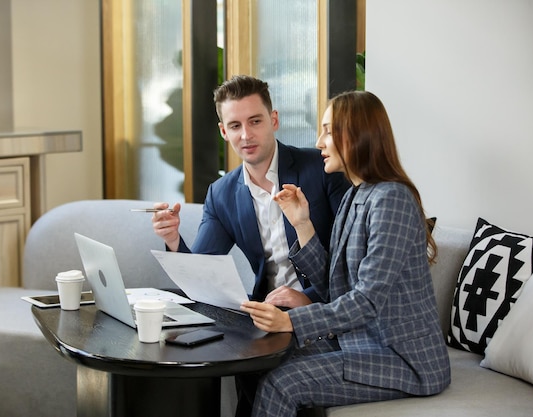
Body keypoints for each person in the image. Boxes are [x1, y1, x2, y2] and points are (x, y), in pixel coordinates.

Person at [239, 90, 451, 417]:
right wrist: (302, 223)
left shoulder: (391, 199)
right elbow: (333, 288)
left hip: (402, 359)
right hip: (360, 344)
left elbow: (366, 300)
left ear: (356, 135)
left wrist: (290, 321)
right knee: (260, 360)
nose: (319, 141)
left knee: (283, 383)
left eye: (328, 130)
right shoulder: (357, 196)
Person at [151, 75, 349, 307]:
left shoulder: (322, 167)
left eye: (255, 121)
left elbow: (349, 258)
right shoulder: (220, 194)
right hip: (263, 314)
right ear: (224, 131)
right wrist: (173, 239)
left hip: (324, 311)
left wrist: (308, 298)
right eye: (235, 126)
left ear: (273, 120)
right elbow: (201, 274)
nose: (246, 135)